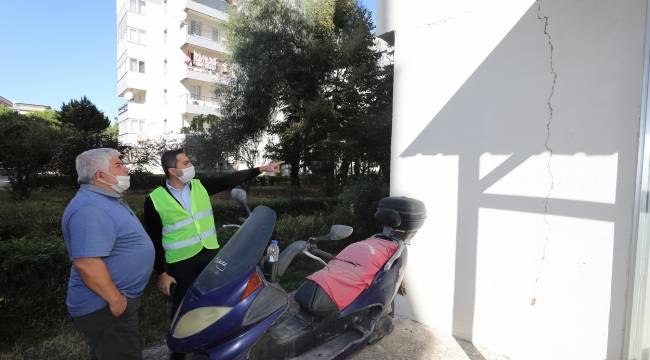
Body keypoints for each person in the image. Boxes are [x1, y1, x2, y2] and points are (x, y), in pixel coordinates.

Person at [143, 149, 281, 359]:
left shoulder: (199, 186)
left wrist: (262, 168)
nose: (191, 165)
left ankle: (214, 345)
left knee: (217, 301)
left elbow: (229, 180)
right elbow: (153, 239)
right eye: (186, 162)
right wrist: (161, 272)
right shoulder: (154, 199)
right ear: (172, 170)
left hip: (210, 257)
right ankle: (178, 354)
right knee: (183, 308)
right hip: (181, 264)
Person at [62, 148, 154, 360]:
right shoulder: (90, 208)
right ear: (100, 175)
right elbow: (87, 263)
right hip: (105, 307)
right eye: (118, 165)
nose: (126, 168)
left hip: (112, 303)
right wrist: (115, 300)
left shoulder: (108, 199)